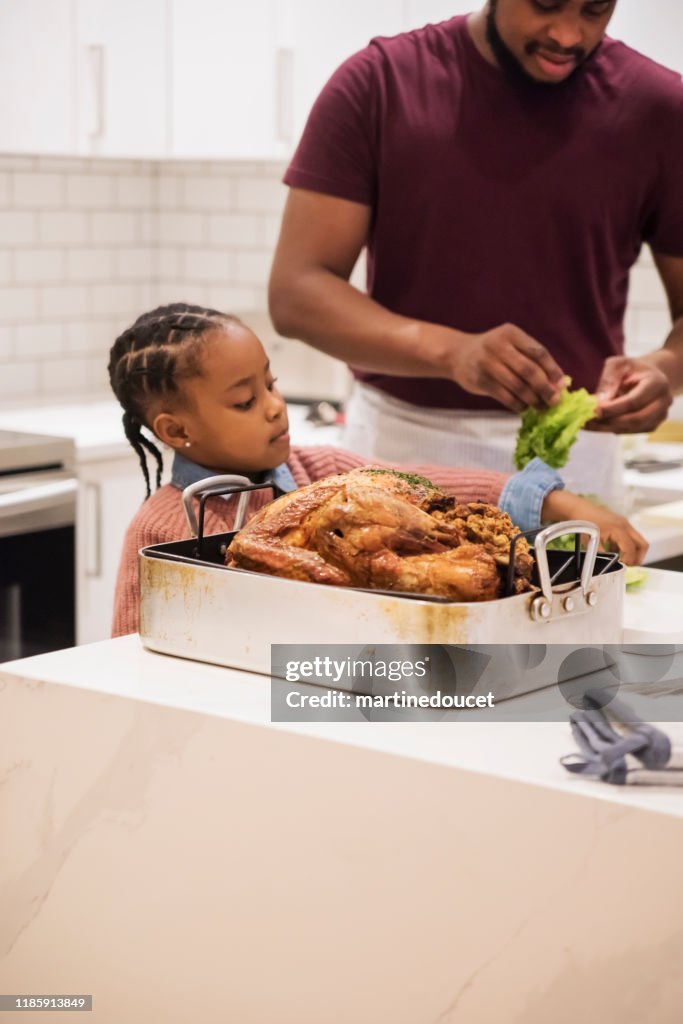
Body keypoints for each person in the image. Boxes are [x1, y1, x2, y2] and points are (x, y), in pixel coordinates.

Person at [268, 0, 683, 508]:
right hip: (402, 449)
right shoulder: (380, 82)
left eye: (595, 9)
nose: (569, 34)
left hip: (576, 462)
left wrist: (666, 369)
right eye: (546, 3)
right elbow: (297, 292)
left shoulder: (660, 108)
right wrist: (452, 353)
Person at [108, 303, 647, 637]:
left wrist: (553, 500)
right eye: (245, 402)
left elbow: (428, 486)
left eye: (270, 385)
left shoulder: (322, 470)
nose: (274, 406)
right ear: (176, 431)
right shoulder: (159, 529)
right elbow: (131, 649)